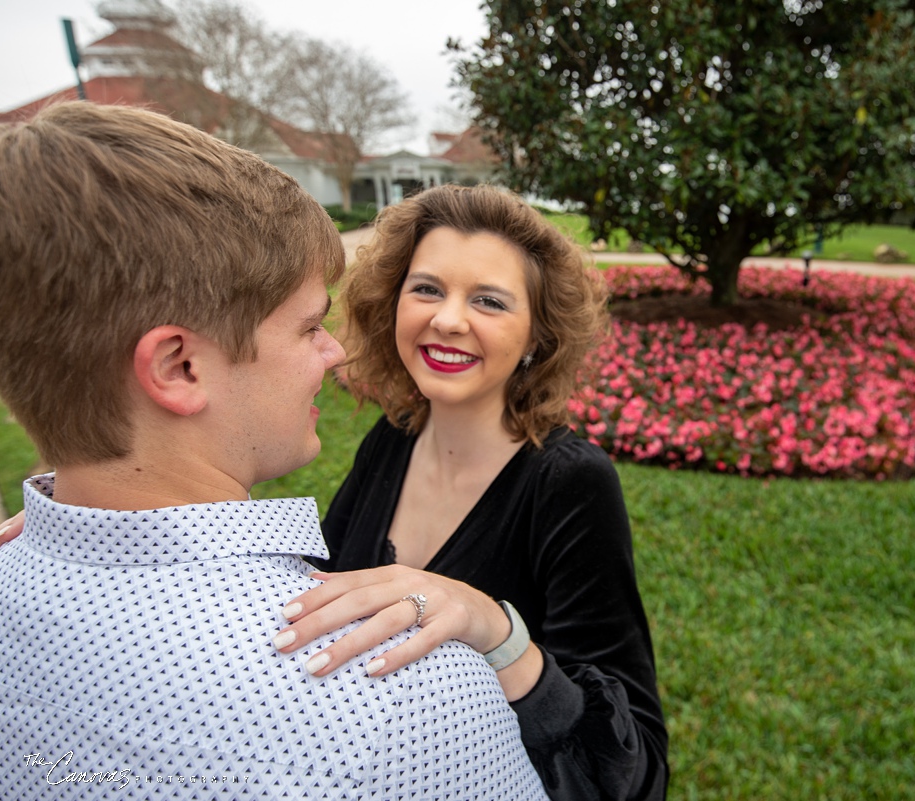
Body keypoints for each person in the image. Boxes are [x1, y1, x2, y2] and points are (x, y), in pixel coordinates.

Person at [0, 103, 547, 800]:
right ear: (179, 368)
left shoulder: (2, 576)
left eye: (490, 300)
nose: (334, 349)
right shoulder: (401, 692)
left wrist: (71, 508)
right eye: (310, 324)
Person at [269, 185, 669, 800]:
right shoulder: (394, 437)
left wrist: (497, 631)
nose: (448, 319)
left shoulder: (570, 484)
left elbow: (634, 770)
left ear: (538, 335)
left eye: (488, 300)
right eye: (427, 289)